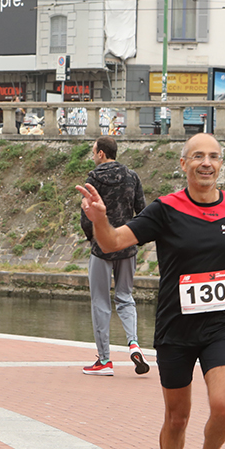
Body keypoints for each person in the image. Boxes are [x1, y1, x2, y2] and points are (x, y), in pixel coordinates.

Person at [76, 133, 225, 449]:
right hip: (175, 329)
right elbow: (112, 243)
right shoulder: (165, 210)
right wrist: (99, 220)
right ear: (184, 164)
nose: (206, 163)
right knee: (177, 418)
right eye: (197, 156)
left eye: (213, 156)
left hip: (220, 326)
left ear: (221, 164)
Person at [79, 136, 148, 377]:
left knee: (100, 301)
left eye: (93, 151)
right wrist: (135, 239)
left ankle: (105, 360)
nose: (93, 156)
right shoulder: (132, 176)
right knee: (125, 297)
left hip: (101, 248)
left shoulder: (93, 179)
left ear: (101, 153)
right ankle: (134, 343)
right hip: (127, 247)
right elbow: (143, 212)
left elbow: (87, 216)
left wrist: (93, 238)